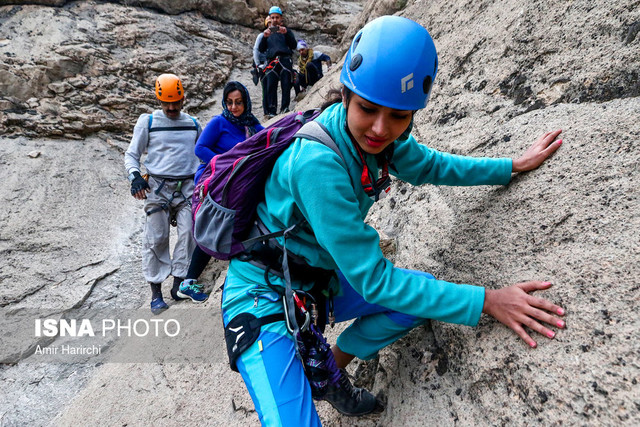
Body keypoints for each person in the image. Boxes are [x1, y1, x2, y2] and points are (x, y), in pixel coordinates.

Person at [221, 16, 566, 425]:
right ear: (346, 95)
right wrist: (486, 300)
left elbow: (435, 166)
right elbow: (375, 281)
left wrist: (510, 165)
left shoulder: (383, 140)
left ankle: (329, 370)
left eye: (399, 116)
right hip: (261, 298)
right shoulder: (317, 164)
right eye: (368, 108)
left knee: (420, 298)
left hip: (314, 285)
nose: (381, 129)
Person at [124, 73, 203, 314]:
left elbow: (202, 153)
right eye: (166, 103)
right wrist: (135, 177)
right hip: (157, 189)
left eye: (176, 102)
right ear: (159, 100)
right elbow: (131, 155)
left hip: (187, 188)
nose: (171, 107)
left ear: (183, 99)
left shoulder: (193, 124)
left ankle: (178, 284)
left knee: (189, 233)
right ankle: (156, 292)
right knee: (156, 238)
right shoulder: (148, 122)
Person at [178, 81, 264, 299]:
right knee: (216, 225)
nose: (234, 107)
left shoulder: (251, 125)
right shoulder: (219, 122)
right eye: (229, 102)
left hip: (234, 182)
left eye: (238, 102)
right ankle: (189, 281)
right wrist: (224, 162)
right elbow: (200, 149)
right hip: (213, 181)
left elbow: (266, 138)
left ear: (246, 102)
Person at [258, 6, 297, 118]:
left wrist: (287, 34)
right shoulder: (267, 33)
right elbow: (261, 49)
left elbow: (293, 45)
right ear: (270, 18)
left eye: (277, 17)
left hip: (285, 59)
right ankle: (271, 110)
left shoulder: (286, 31)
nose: (275, 20)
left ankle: (285, 107)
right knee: (271, 85)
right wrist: (265, 37)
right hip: (272, 61)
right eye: (273, 17)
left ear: (281, 19)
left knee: (286, 83)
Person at [252, 16, 271, 116]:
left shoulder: (275, 37)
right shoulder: (261, 36)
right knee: (265, 87)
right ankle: (266, 111)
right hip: (263, 65)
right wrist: (258, 64)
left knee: (271, 87)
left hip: (271, 64)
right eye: (269, 24)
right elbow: (256, 50)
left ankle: (271, 108)